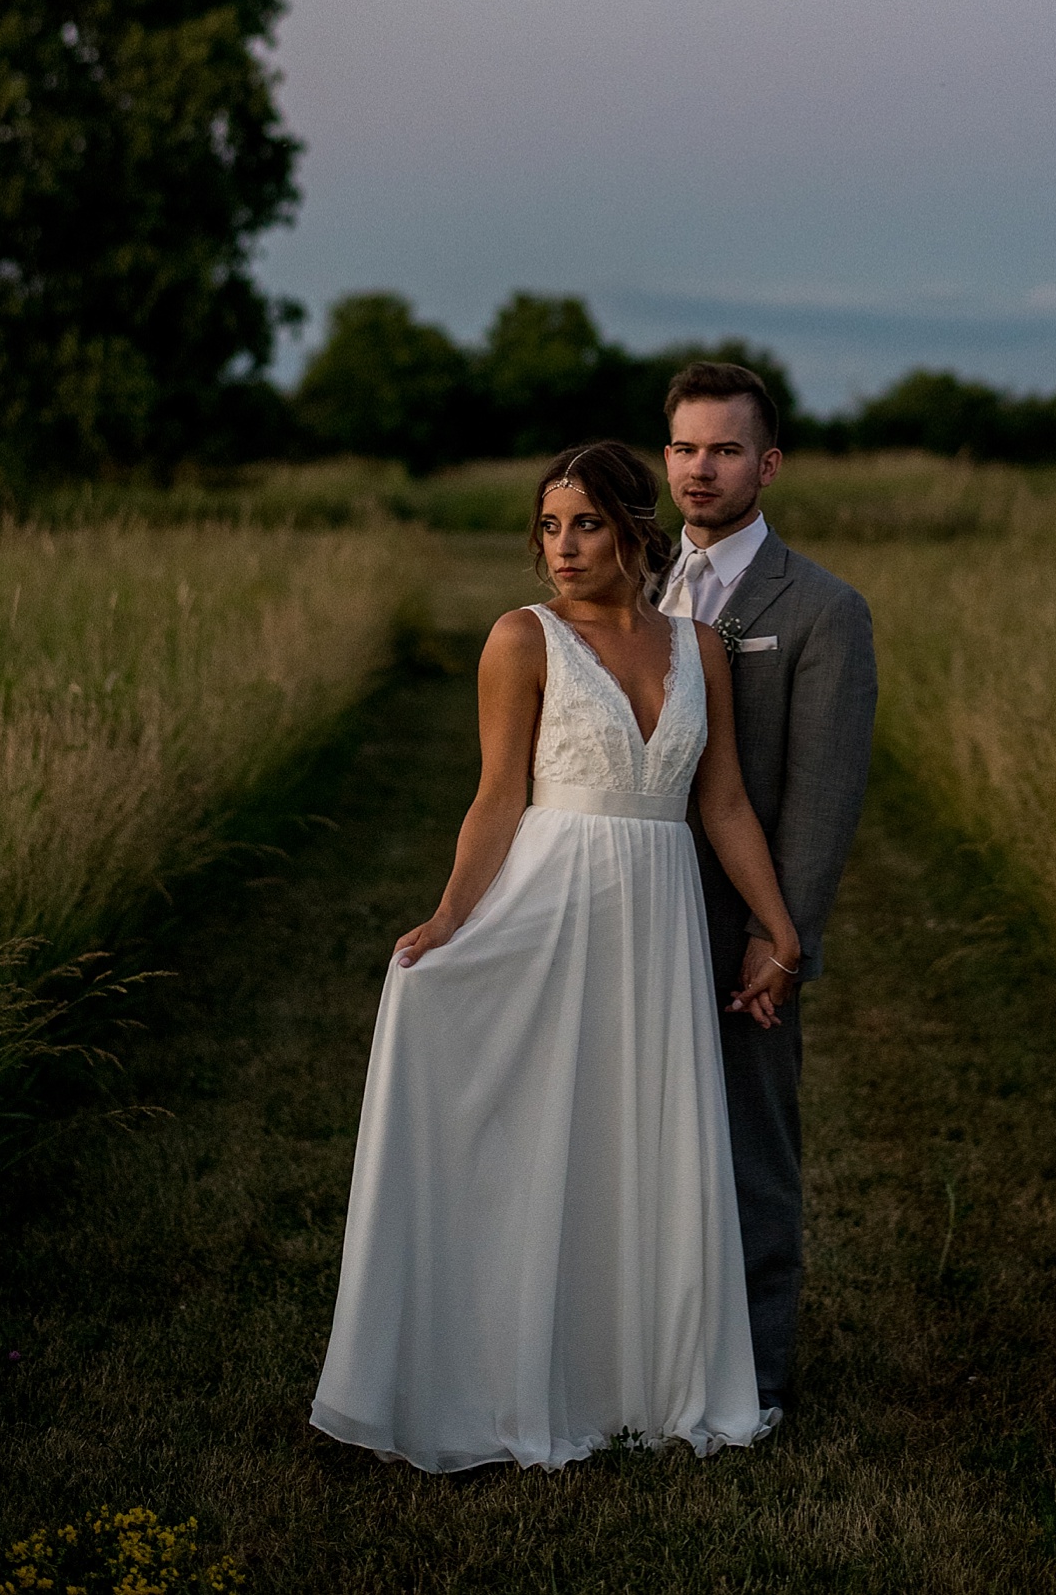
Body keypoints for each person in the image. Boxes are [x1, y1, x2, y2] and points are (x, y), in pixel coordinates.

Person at [309, 440, 802, 1474]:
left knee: (638, 1132)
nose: (562, 546)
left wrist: (777, 923)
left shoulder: (697, 646)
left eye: (583, 522)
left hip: (658, 913)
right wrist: (449, 920)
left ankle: (638, 1376)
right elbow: (498, 795)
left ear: (634, 527)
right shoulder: (521, 638)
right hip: (555, 897)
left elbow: (721, 803)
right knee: (538, 1128)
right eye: (547, 524)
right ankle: (487, 1366)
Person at [657, 362, 877, 1415]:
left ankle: (757, 1377)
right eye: (686, 448)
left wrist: (777, 939)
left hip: (739, 924)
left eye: (726, 449)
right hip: (633, 913)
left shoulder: (823, 608)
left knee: (752, 1147)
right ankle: (647, 1346)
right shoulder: (633, 573)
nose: (702, 469)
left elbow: (823, 795)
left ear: (768, 465)